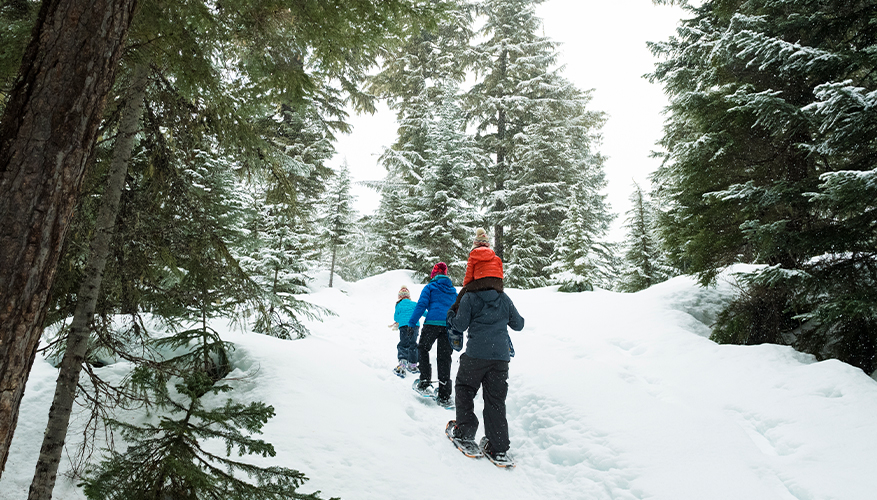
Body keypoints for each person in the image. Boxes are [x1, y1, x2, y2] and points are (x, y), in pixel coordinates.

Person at [445, 282, 524, 464]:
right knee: (495, 400)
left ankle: (465, 432)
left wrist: (450, 316)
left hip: (476, 355)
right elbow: (518, 325)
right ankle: (498, 447)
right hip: (500, 359)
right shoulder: (503, 298)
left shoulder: (470, 297)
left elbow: (460, 325)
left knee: (464, 388)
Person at [408, 262, 457, 407]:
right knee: (444, 357)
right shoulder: (453, 291)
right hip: (448, 326)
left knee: (423, 348)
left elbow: (421, 305)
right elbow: (458, 309)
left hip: (432, 323)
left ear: (434, 275)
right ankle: (444, 394)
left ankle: (425, 380)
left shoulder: (430, 287)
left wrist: (412, 323)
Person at [450, 228, 503, 313]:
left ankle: (456, 311)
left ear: (476, 245)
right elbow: (500, 273)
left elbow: (469, 275)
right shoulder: (496, 258)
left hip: (482, 282)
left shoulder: (473, 256)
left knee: (463, 294)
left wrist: (466, 287)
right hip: (497, 283)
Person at [392, 286, 420, 376]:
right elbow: (421, 312)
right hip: (415, 326)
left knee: (404, 344)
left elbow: (396, 317)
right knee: (413, 344)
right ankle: (412, 364)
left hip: (404, 326)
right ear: (408, 296)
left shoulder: (399, 305)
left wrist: (399, 320)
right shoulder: (413, 304)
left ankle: (402, 363)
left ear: (399, 297)